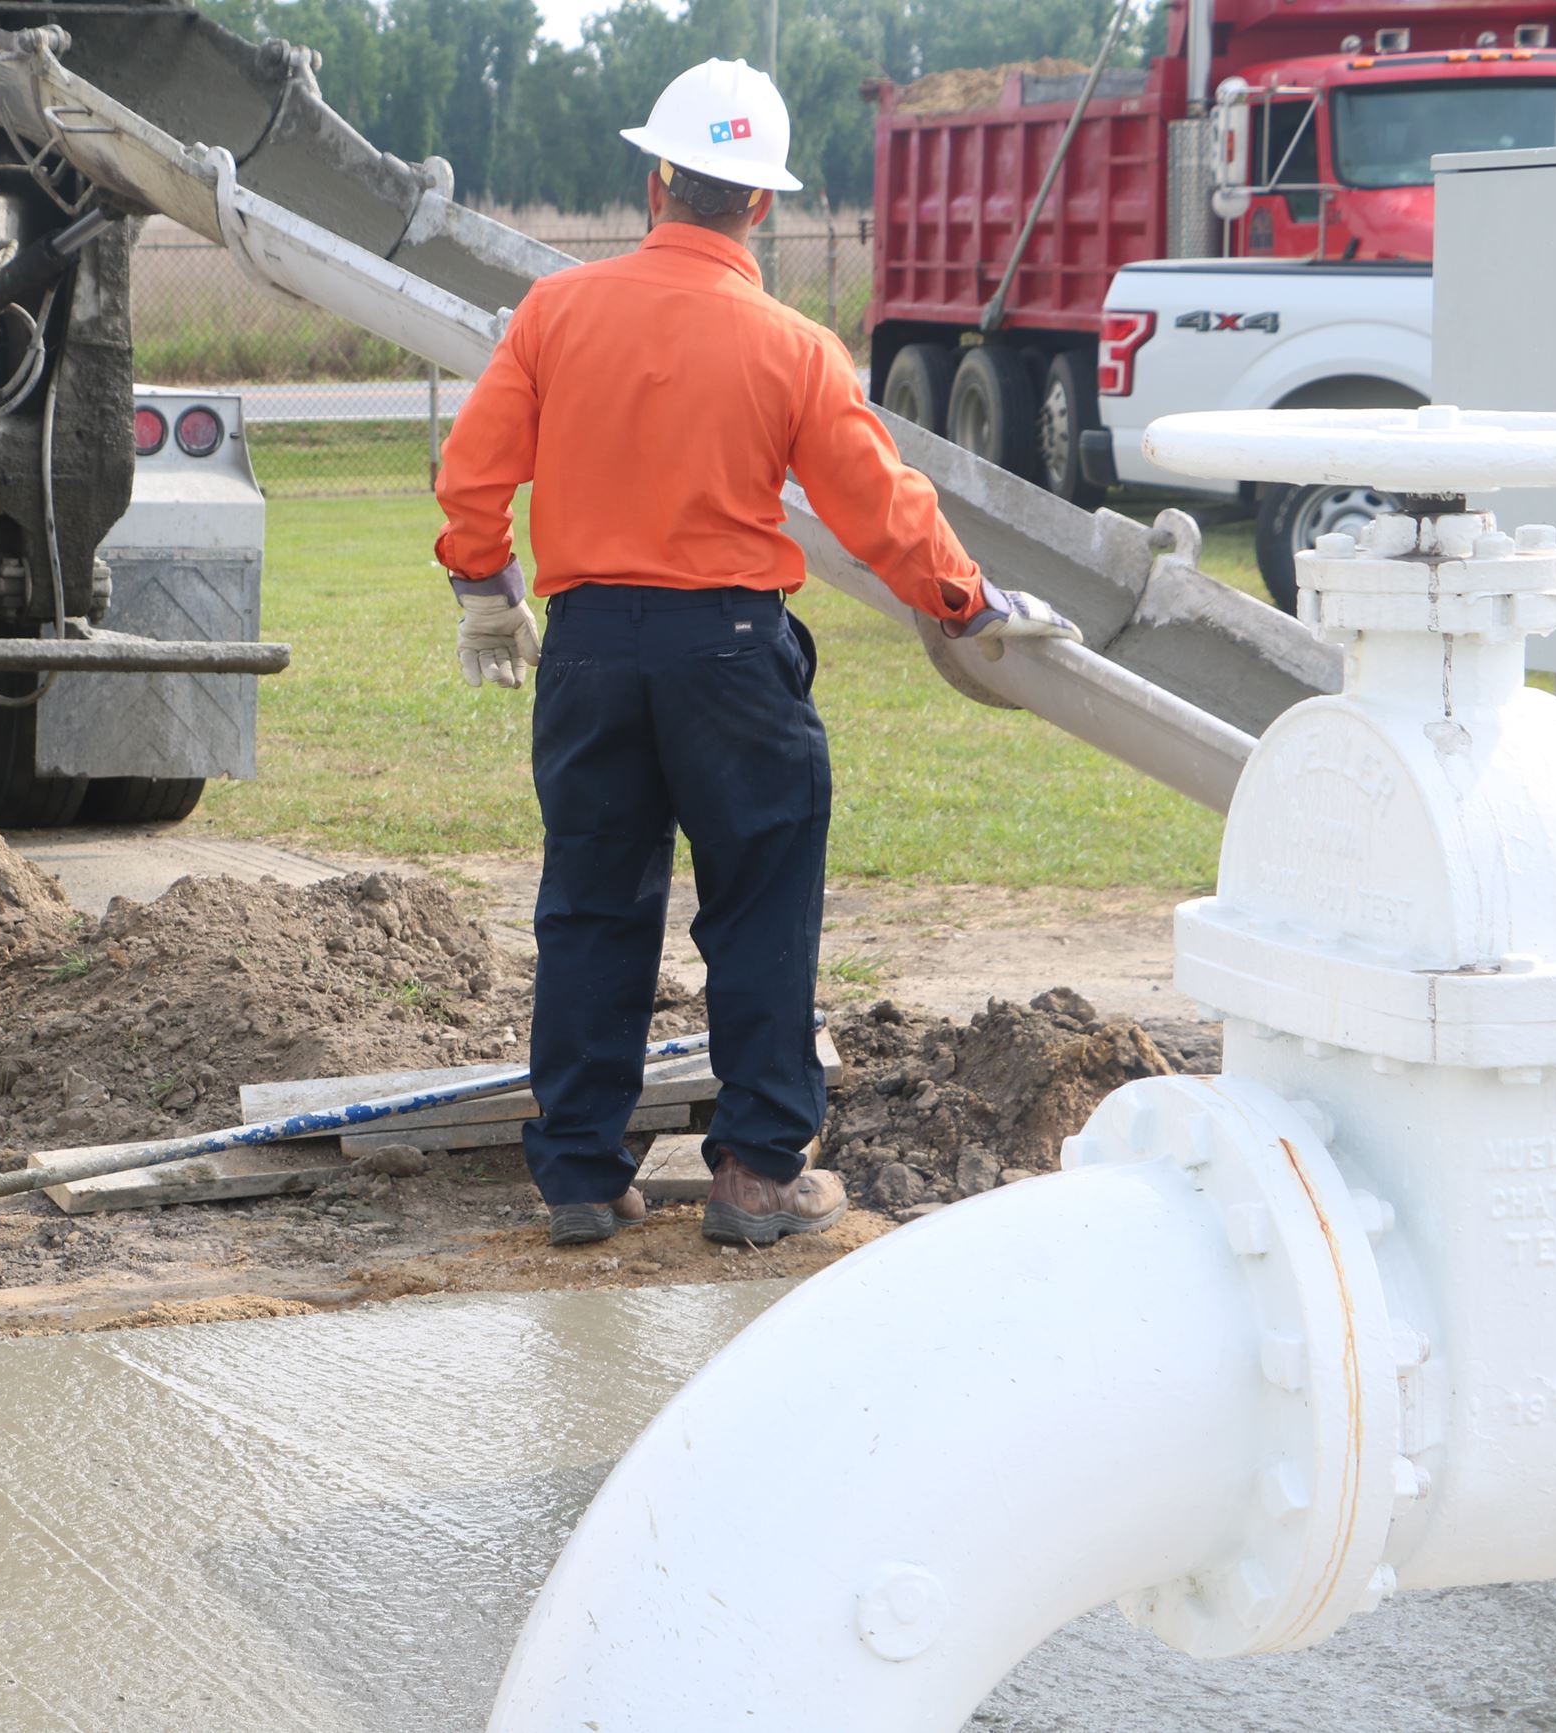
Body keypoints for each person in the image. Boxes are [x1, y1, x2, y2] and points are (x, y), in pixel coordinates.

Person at [432, 60, 1080, 1249]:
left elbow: (471, 469)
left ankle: (580, 1173)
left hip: (586, 655)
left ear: (656, 180)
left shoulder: (555, 312)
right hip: (729, 656)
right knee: (760, 906)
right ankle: (753, 1176)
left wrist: (484, 583)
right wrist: (966, 599)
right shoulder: (790, 346)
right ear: (761, 207)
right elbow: (877, 504)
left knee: (588, 904)